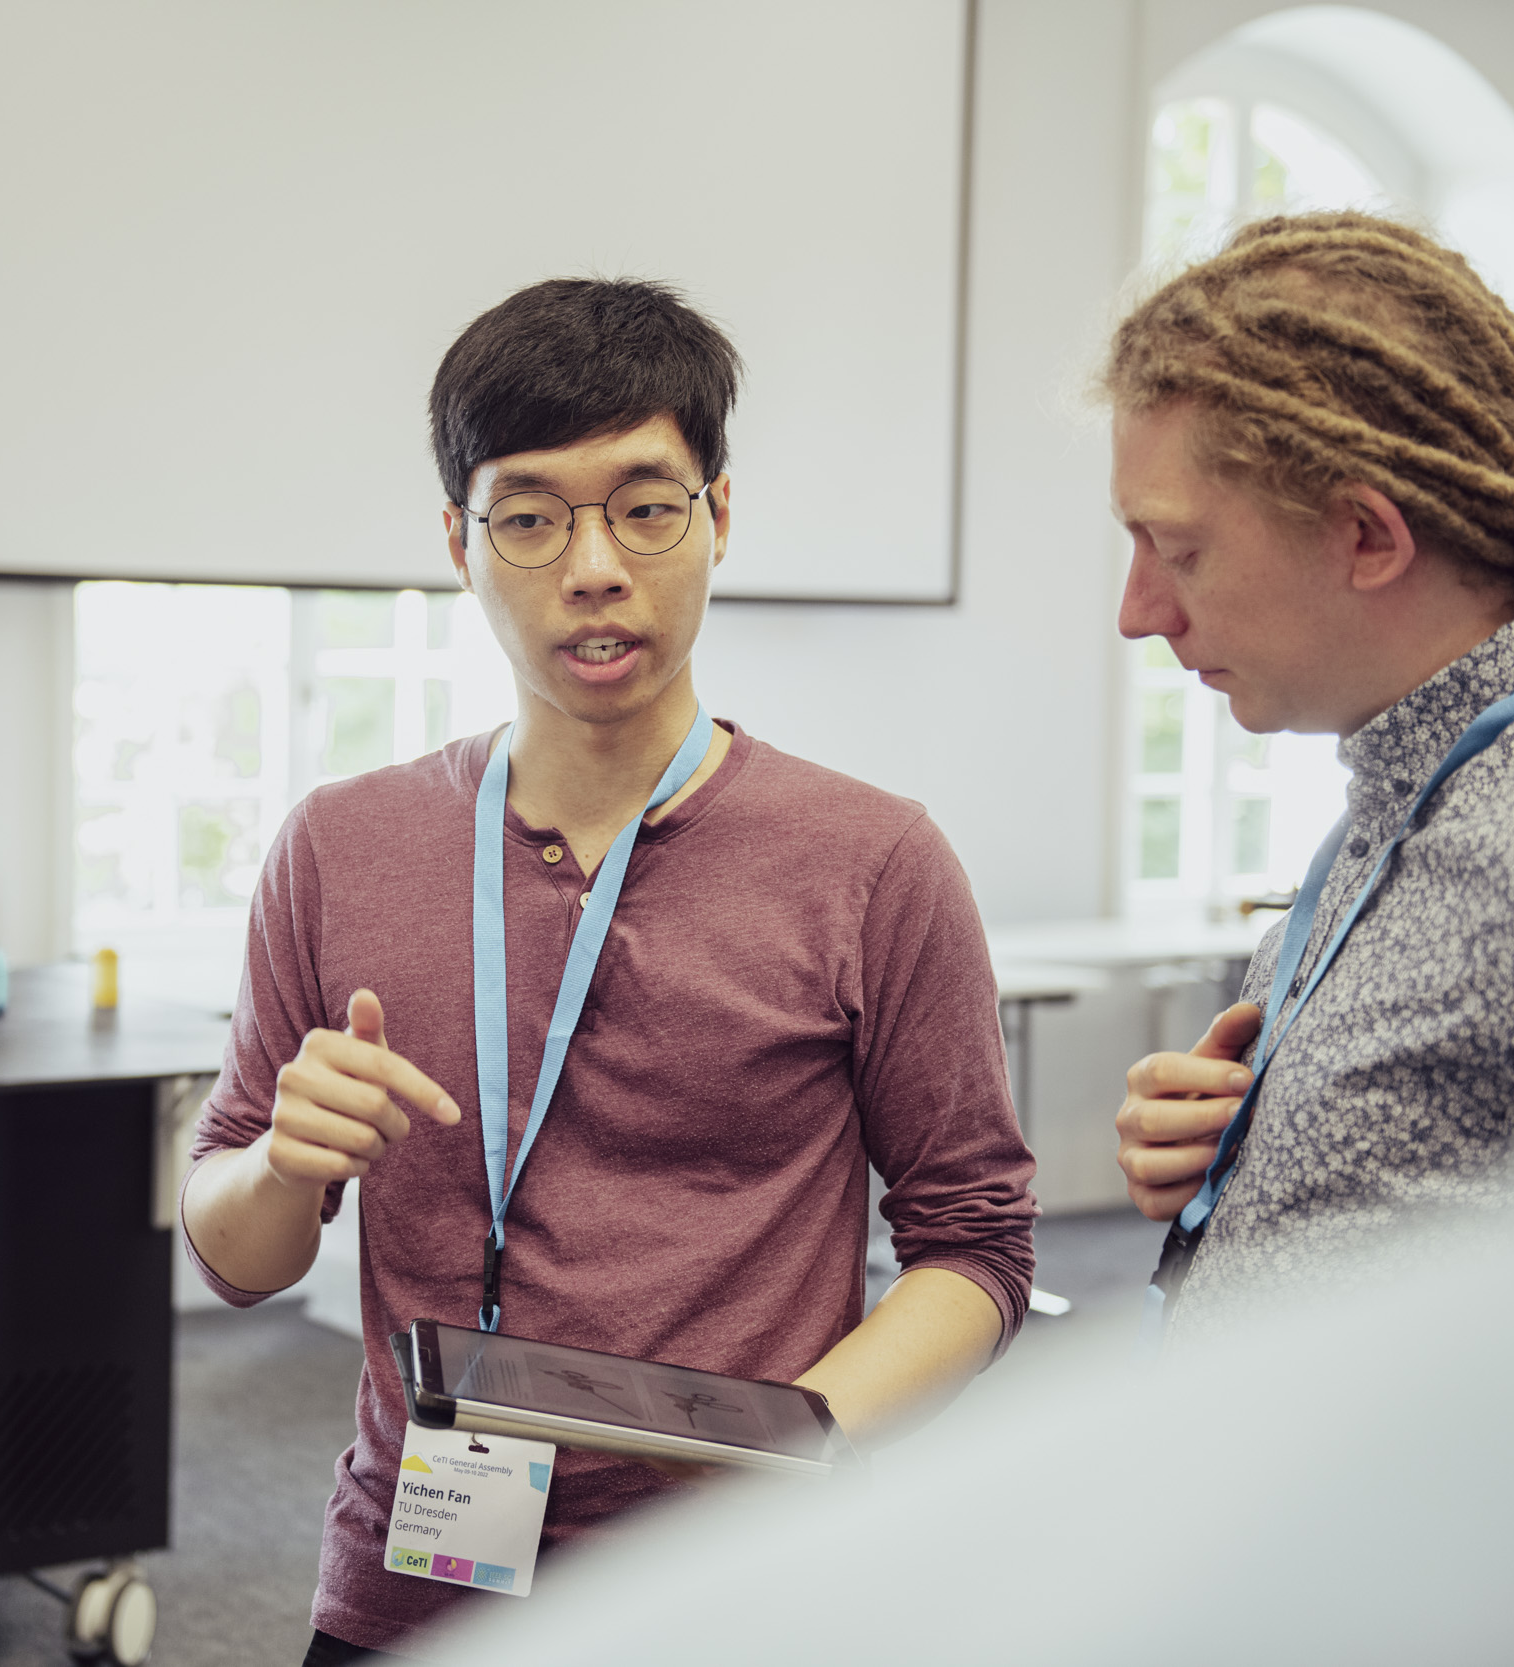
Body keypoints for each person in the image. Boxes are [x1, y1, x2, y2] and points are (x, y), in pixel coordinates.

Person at [178, 277, 1035, 1660]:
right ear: (460, 541)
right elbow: (232, 1254)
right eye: (530, 516)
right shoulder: (340, 843)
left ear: (720, 515)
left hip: (738, 1594)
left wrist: (801, 1433)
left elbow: (976, 1244)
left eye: (646, 505)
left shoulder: (874, 860)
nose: (593, 565)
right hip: (415, 1581)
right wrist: (283, 1161)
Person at [1106, 211, 1514, 1344]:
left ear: (1367, 537)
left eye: (1180, 550)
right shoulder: (1411, 779)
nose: (1137, 612)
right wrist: (1236, 1164)